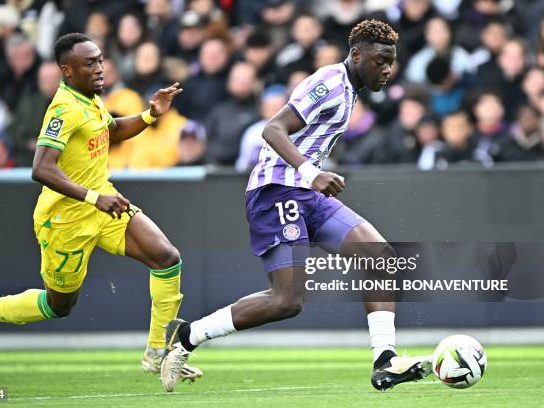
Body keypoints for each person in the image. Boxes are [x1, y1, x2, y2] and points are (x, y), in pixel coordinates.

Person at [160, 19, 432, 392]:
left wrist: (311, 177)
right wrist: (311, 172)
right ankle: (188, 335)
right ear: (356, 55)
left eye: (391, 62)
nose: (387, 69)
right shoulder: (330, 82)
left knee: (380, 256)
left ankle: (385, 361)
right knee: (286, 301)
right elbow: (271, 129)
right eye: (380, 61)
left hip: (306, 193)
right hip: (276, 191)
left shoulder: (352, 88)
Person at [0, 33, 201, 382]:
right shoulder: (63, 108)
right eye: (90, 63)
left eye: (100, 59)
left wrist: (149, 115)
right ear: (66, 71)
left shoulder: (91, 99)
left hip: (103, 204)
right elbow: (41, 167)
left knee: (166, 257)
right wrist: (93, 197)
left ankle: (158, 351)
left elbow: (110, 131)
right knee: (59, 306)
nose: (100, 68)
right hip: (65, 219)